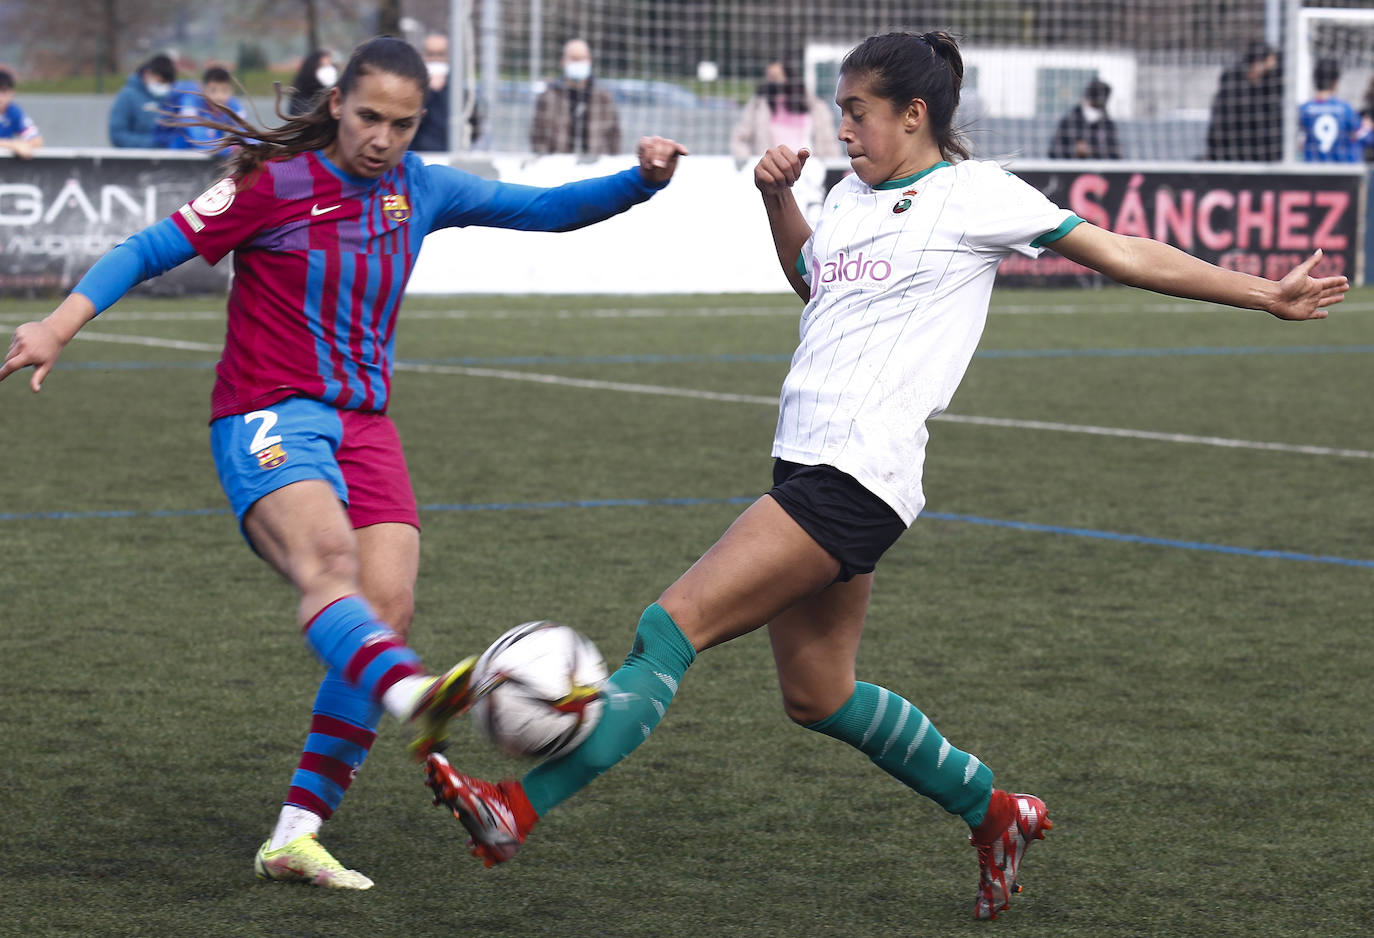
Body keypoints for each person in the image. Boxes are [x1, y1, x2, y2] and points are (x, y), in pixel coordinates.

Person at [423, 30, 1348, 922]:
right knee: (818, 693)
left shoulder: (978, 195)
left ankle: (517, 808)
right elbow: (813, 282)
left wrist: (1264, 291)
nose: (843, 129)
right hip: (807, 465)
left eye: (857, 112)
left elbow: (1123, 252)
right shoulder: (847, 195)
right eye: (839, 113)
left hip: (855, 477)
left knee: (668, 631)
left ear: (914, 114)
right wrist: (777, 200)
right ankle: (995, 812)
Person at [0, 36, 685, 891]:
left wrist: (642, 181)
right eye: (368, 117)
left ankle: (296, 832)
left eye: (401, 124)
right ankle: (420, 700)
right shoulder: (271, 185)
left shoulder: (420, 186)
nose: (381, 139)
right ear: (336, 104)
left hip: (364, 428)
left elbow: (541, 208)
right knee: (330, 569)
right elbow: (149, 249)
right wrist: (58, 325)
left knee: (385, 608)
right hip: (264, 415)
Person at [730, 60, 839, 162]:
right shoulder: (758, 107)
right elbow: (740, 138)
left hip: (810, 170)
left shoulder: (815, 107)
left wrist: (833, 168)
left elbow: (828, 143)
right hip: (774, 171)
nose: (774, 82)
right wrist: (748, 162)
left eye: (777, 77)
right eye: (770, 77)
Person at [530, 38, 621, 155]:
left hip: (597, 165)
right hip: (557, 165)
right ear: (563, 61)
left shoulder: (604, 97)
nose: (578, 63)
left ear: (589, 61)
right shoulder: (549, 97)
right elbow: (537, 135)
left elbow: (614, 135)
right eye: (574, 58)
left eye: (581, 59)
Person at [1206, 40, 1282, 161]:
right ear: (1258, 63)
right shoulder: (1233, 89)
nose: (1273, 66)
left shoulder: (1268, 90)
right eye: (1270, 61)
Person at [409, 31, 482, 152]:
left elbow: (474, 126)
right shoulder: (411, 88)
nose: (435, 60)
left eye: (440, 54)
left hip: (450, 155)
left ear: (448, 56)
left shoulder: (461, 91)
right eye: (431, 54)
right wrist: (429, 91)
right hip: (418, 155)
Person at [1298, 58, 1368, 162]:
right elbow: (1363, 135)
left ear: (1314, 79)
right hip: (1339, 169)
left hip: (1311, 169)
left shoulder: (1304, 109)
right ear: (1336, 82)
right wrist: (1366, 127)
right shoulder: (1345, 109)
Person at [109, 53, 177, 148]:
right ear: (147, 74)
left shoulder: (171, 96)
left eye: (166, 83)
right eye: (160, 81)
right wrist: (153, 143)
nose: (162, 86)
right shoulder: (128, 96)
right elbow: (117, 135)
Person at [1048, 78, 1121, 159]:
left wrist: (1092, 151)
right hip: (1072, 169)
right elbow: (1053, 153)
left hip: (1098, 170)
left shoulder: (1108, 125)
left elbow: (1115, 156)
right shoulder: (1069, 122)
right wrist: (1074, 150)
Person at [0, 67, 43, 159]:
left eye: (3, 91)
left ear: (11, 93)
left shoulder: (14, 112)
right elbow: (15, 145)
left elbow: (37, 141)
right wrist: (13, 145)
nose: (0, 97)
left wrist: (24, 145)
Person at [287, 49, 336, 116]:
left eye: (329, 65)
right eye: (323, 66)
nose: (327, 70)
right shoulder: (300, 97)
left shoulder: (331, 93)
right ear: (312, 66)